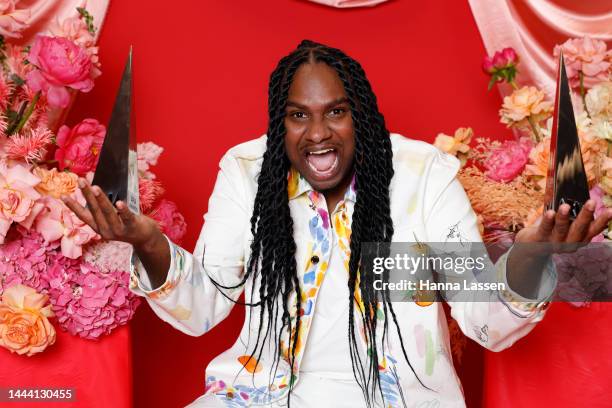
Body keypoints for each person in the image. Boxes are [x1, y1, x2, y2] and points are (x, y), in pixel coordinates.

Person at [64, 40, 612, 408]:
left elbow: (481, 317)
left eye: (336, 111)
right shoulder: (248, 172)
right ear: (281, 122)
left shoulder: (423, 178)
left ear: (363, 116)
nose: (317, 133)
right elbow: (203, 304)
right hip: (260, 395)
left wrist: (532, 254)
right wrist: (148, 240)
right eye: (298, 115)